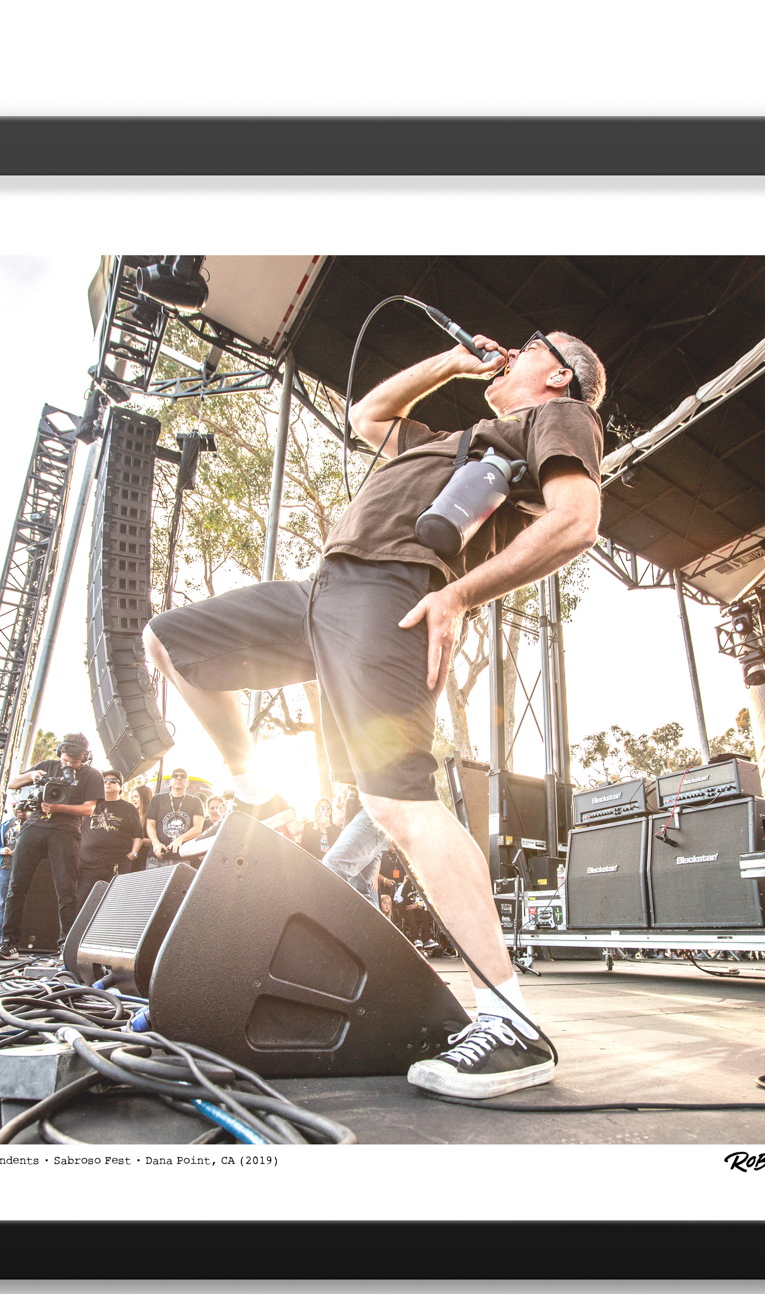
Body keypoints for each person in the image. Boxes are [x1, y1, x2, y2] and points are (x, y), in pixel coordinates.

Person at [143, 328, 604, 1098]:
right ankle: (255, 791)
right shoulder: (450, 441)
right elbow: (369, 415)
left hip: (391, 593)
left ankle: (512, 1023)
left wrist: (459, 594)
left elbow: (576, 521)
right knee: (172, 641)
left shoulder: (557, 418)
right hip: (322, 591)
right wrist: (452, 362)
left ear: (558, 374)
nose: (515, 349)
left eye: (531, 345)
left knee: (398, 803)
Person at [0, 733, 106, 948]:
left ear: (84, 758)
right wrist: (32, 776)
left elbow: (89, 809)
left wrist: (59, 808)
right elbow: (12, 783)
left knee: (66, 889)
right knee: (17, 885)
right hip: (34, 825)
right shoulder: (47, 765)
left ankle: (66, 945)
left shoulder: (92, 775)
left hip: (66, 830)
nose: (69, 765)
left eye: (75, 762)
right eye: (65, 760)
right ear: (59, 753)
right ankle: (8, 942)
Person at [77, 770, 144, 907]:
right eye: (105, 780)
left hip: (115, 865)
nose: (108, 783)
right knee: (81, 903)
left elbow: (138, 836)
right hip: (87, 865)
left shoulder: (129, 808)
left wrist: (132, 855)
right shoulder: (89, 804)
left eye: (113, 781)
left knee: (110, 905)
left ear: (121, 786)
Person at [145, 767, 206, 867]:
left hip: (183, 857)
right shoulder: (157, 799)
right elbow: (150, 824)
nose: (179, 778)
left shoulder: (195, 802)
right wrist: (155, 843)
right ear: (170, 782)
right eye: (175, 776)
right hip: (157, 856)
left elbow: (198, 828)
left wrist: (180, 839)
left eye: (182, 776)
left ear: (187, 783)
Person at [0, 799, 28, 942]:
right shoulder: (5, 825)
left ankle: (18, 937)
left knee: (21, 900)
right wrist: (1, 850)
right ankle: (2, 937)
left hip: (23, 867)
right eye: (17, 807)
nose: (20, 810)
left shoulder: (32, 824)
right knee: (4, 901)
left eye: (23, 808)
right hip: (6, 867)